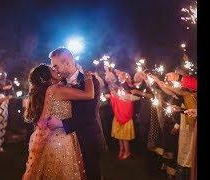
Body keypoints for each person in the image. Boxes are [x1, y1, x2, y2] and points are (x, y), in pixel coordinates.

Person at [23, 64, 95, 180]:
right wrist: (88, 76)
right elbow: (89, 94)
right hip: (62, 140)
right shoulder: (56, 89)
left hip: (51, 140)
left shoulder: (50, 90)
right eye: (52, 69)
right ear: (47, 77)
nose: (55, 69)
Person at [46, 47, 105, 180]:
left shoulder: (91, 81)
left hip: (87, 138)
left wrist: (61, 123)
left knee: (91, 175)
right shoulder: (61, 84)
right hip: (68, 140)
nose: (54, 69)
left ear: (67, 62)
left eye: (56, 66)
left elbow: (89, 115)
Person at [107, 70, 140, 160]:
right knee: (119, 135)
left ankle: (127, 151)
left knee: (124, 136)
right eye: (118, 76)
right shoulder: (120, 85)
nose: (118, 77)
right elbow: (117, 94)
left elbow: (128, 98)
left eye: (120, 76)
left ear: (125, 76)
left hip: (125, 113)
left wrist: (115, 96)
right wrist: (112, 96)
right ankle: (121, 149)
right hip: (118, 113)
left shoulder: (129, 86)